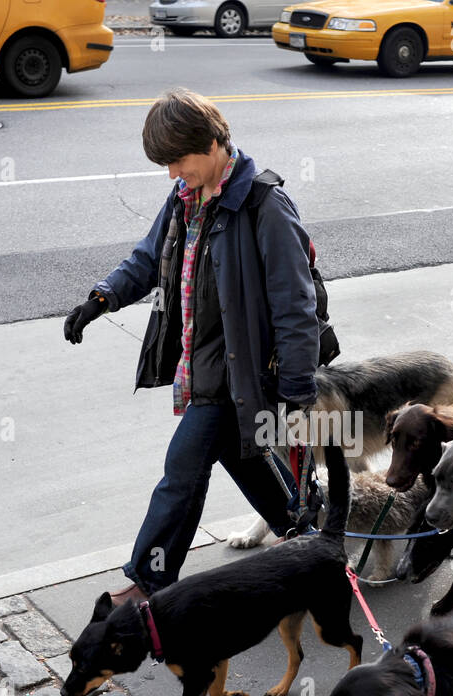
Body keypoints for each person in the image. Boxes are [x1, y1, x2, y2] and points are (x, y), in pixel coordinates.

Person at [65, 88, 320, 606]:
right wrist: (101, 298)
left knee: (182, 470)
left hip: (245, 372)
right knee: (238, 454)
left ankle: (148, 582)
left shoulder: (263, 205)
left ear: (211, 143)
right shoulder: (185, 198)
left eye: (178, 160)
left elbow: (296, 304)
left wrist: (296, 387)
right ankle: (306, 538)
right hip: (204, 363)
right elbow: (147, 257)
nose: (171, 172)